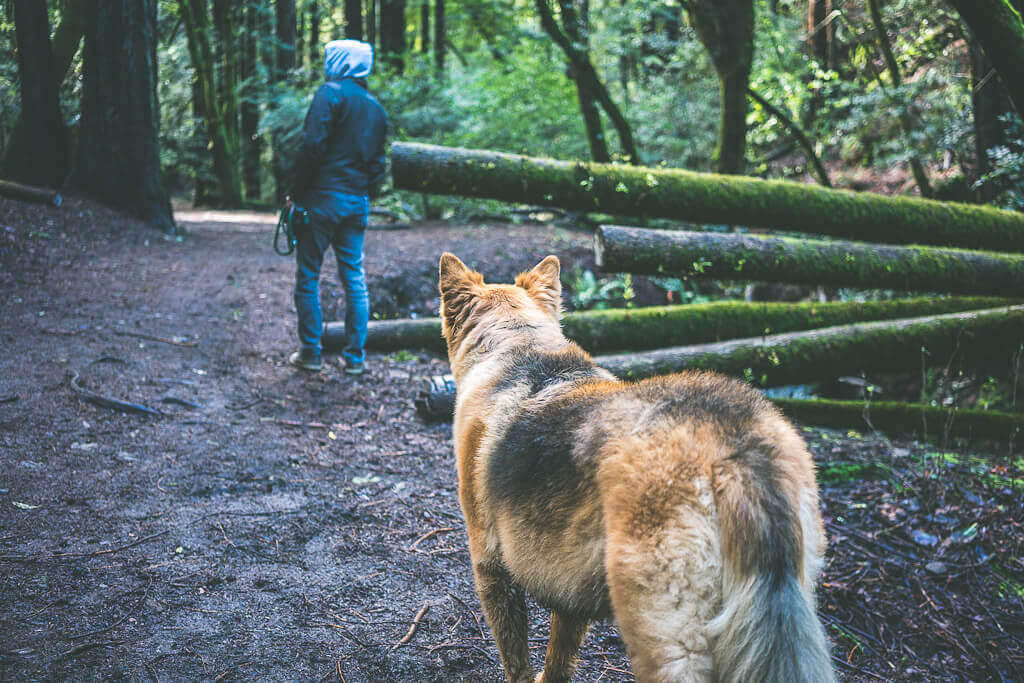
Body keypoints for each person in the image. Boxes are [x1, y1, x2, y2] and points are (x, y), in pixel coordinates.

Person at [286, 39, 388, 375]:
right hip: (356, 202)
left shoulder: (329, 94)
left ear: (339, 62)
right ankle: (355, 358)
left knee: (308, 276)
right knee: (354, 279)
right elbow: (377, 165)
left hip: (321, 201)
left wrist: (295, 193)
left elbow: (312, 146)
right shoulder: (376, 109)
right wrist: (364, 194)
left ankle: (311, 353)